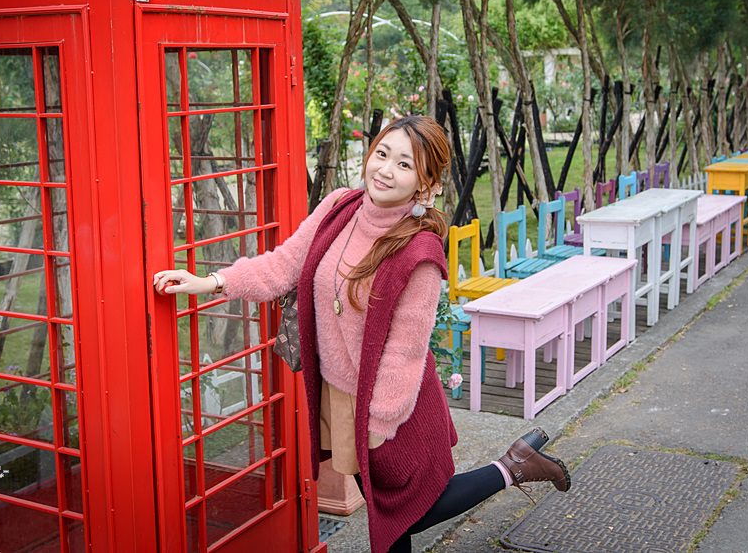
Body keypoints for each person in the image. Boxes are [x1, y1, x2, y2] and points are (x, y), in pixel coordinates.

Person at [153, 115, 570, 553]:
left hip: (391, 404)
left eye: (404, 164)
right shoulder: (340, 206)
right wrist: (212, 282)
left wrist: (377, 424)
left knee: (405, 511)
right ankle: (516, 463)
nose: (385, 170)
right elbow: (285, 263)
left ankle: (512, 467)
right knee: (384, 511)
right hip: (339, 393)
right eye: (382, 154)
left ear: (426, 184)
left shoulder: (419, 253)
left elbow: (406, 351)